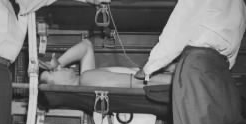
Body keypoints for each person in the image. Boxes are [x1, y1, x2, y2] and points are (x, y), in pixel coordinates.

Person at [39, 39, 173, 88]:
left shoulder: (85, 79)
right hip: (165, 81)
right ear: (58, 86)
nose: (59, 68)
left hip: (161, 77)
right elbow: (140, 82)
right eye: (53, 72)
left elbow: (86, 46)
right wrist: (176, 80)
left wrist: (58, 63)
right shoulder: (87, 80)